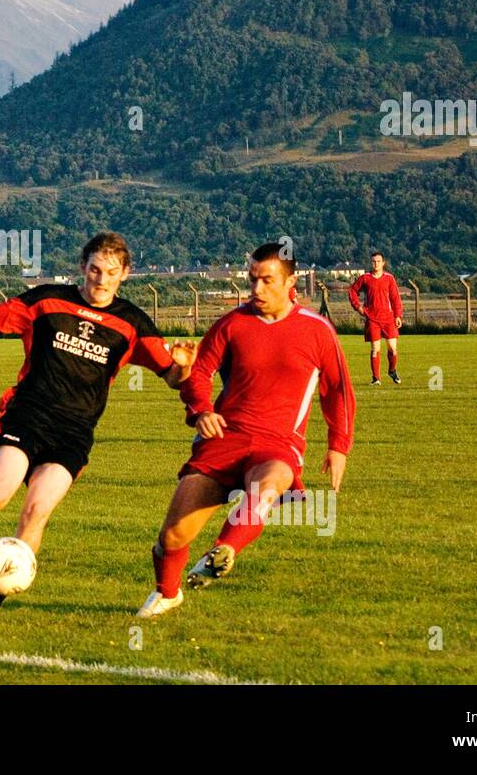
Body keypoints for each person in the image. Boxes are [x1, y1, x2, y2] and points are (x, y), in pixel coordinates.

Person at [0, 232, 198, 632]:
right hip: (27, 417)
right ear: (82, 267)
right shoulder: (47, 301)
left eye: (111, 273)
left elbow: (170, 375)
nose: (101, 280)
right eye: (94, 270)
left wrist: (184, 366)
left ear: (125, 275)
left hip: (74, 434)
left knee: (36, 513)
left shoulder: (133, 322)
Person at [137, 242, 355, 618]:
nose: (256, 290)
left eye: (266, 281)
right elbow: (200, 374)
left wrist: (338, 446)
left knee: (267, 486)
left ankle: (224, 550)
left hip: (279, 443)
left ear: (291, 281)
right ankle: (168, 592)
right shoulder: (231, 324)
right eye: (251, 280)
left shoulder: (318, 331)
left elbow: (337, 389)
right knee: (172, 536)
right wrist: (202, 410)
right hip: (224, 438)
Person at [347, 251, 404, 385]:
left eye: (378, 261)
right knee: (375, 349)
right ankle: (376, 378)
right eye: (373, 261)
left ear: (383, 263)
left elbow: (395, 298)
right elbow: (352, 291)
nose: (376, 263)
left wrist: (398, 315)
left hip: (388, 318)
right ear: (370, 263)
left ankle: (392, 370)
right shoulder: (365, 278)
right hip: (372, 318)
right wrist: (358, 307)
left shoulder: (389, 278)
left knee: (393, 348)